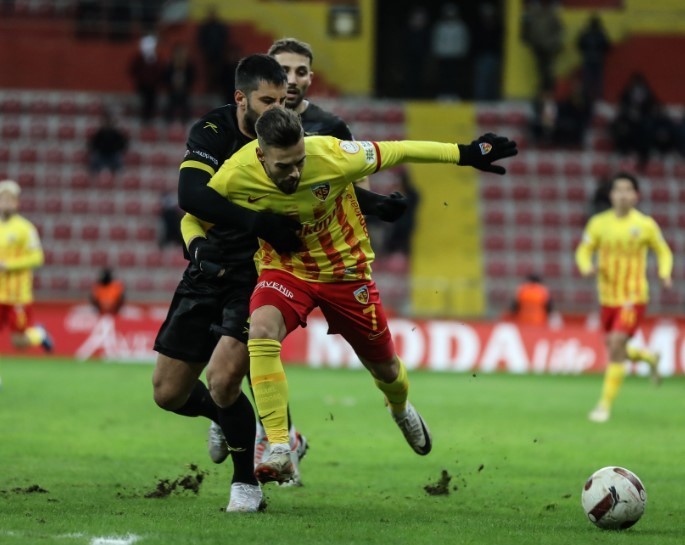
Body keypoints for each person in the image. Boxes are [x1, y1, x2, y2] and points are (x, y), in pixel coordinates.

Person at [183, 108, 518, 487]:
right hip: (286, 270)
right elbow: (194, 214)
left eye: (299, 162)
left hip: (346, 273)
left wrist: (467, 153)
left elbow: (401, 150)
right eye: (283, 167)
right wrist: (197, 246)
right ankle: (278, 446)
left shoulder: (332, 154)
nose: (294, 173)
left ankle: (399, 407)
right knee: (260, 330)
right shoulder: (236, 172)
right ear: (261, 155)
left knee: (386, 369)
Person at [197, 41, 409, 482]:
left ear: (311, 78)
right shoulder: (233, 129)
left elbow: (349, 187)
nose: (291, 80)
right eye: (283, 72)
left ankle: (262, 430)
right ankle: (265, 435)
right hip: (252, 259)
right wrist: (199, 240)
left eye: (300, 72)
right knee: (253, 344)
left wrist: (376, 205)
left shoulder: (330, 129)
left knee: (377, 363)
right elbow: (200, 199)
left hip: (326, 265)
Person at [575, 173, 673, 423]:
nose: (623, 195)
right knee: (614, 346)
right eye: (618, 190)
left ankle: (603, 406)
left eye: (628, 190)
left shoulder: (645, 224)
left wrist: (664, 274)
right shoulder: (598, 223)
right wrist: (586, 267)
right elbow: (583, 250)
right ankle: (649, 357)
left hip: (633, 295)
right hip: (607, 297)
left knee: (617, 342)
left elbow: (663, 251)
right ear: (611, 195)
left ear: (636, 195)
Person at [0, 180, 53, 353]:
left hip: (18, 295)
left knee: (19, 342)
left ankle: (39, 334)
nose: (6, 202)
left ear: (17, 203)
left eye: (10, 199)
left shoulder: (25, 228)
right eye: (3, 199)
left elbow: (37, 258)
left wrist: (9, 265)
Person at [430, 2, 471, 99]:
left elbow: (464, 40)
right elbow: (436, 40)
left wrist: (462, 52)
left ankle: (453, 94)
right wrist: (436, 53)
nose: (450, 16)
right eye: (448, 14)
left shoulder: (460, 26)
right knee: (443, 76)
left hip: (456, 56)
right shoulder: (440, 26)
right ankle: (443, 94)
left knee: (454, 76)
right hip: (443, 55)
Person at [521, 0, 564, 92]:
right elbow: (528, 28)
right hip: (539, 46)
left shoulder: (551, 15)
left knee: (547, 69)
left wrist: (554, 42)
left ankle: (547, 90)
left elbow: (559, 30)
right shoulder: (534, 13)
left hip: (548, 47)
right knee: (541, 69)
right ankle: (544, 90)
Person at [576, 14, 610, 104]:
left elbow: (579, 45)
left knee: (589, 82)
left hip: (589, 60)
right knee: (597, 83)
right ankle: (597, 99)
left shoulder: (587, 35)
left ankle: (588, 99)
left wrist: (581, 33)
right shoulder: (600, 35)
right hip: (597, 60)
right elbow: (607, 47)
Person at [162, 43, 196, 125]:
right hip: (172, 92)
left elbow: (192, 79)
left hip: (185, 92)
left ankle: (186, 122)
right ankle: (168, 122)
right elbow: (165, 79)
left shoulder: (189, 67)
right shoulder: (169, 67)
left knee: (185, 103)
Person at [88, 109, 129, 175]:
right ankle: (94, 175)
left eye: (109, 122)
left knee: (118, 159)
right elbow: (93, 145)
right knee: (95, 158)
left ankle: (117, 174)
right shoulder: (99, 133)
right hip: (101, 154)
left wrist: (116, 148)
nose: (108, 124)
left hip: (113, 154)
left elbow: (123, 145)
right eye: (106, 122)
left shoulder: (117, 134)